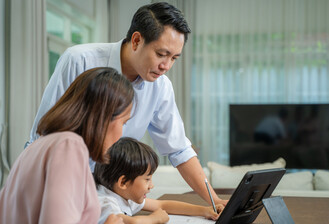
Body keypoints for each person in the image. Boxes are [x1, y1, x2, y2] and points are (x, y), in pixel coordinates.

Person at [27, 2, 227, 206]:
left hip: (107, 195)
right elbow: (44, 135)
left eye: (174, 58)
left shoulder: (160, 86)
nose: (166, 66)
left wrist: (215, 201)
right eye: (161, 54)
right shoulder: (80, 61)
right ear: (137, 40)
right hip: (60, 185)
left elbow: (179, 149)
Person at [0, 67, 134, 224]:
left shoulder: (40, 146)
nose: (122, 134)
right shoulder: (69, 146)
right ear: (104, 117)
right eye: (123, 122)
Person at [93, 137, 224, 224]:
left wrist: (204, 211)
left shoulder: (122, 194)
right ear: (123, 182)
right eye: (147, 179)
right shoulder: (105, 202)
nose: (152, 185)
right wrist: (155, 219)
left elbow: (163, 205)